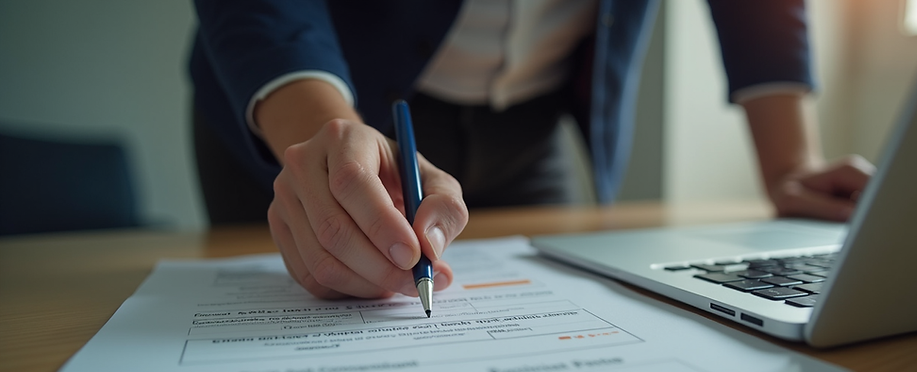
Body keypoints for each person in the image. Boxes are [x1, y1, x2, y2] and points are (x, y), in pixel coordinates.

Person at [189, 0, 874, 301]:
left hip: (534, 124)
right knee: (311, 273)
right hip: (312, 112)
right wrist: (320, 130)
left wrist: (790, 165)